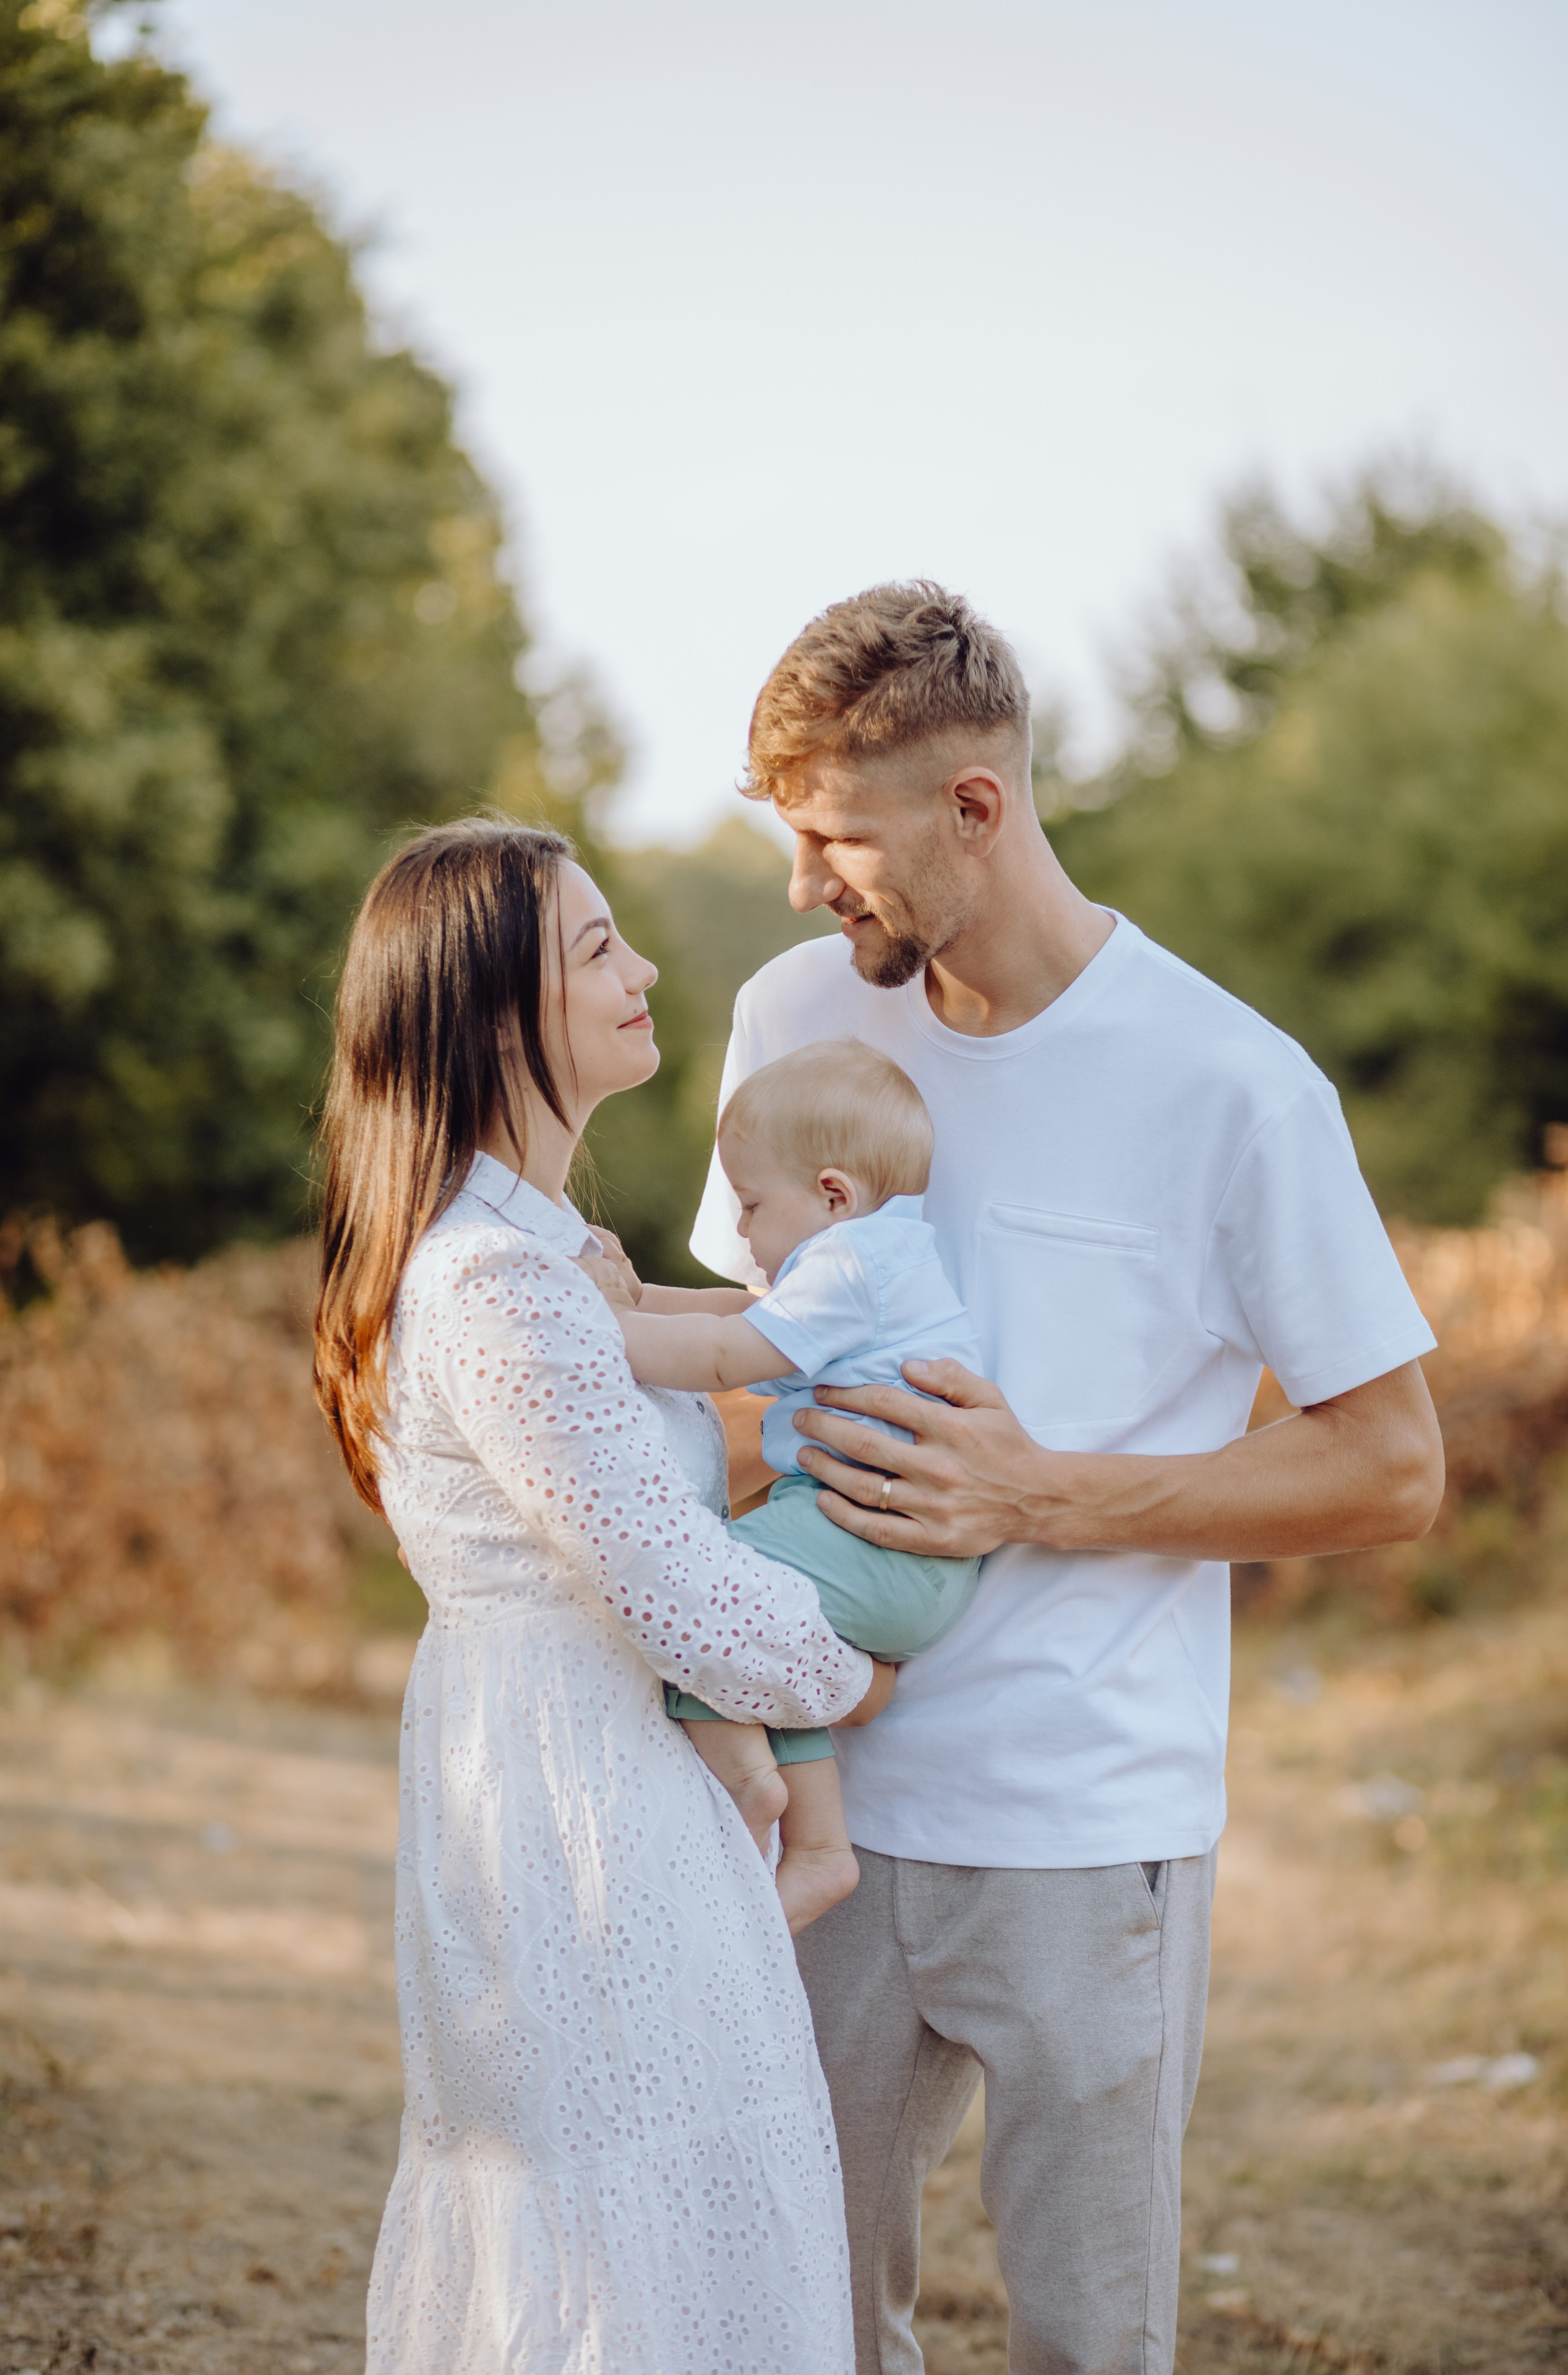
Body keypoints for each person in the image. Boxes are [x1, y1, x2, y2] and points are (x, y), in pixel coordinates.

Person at [687, 583, 1447, 2375]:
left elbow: (1392, 1464)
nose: (807, 884)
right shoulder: (796, 1011)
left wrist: (1040, 1498)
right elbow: (746, 1344)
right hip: (817, 1809)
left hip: (1087, 1831)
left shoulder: (1233, 1085)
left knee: (1093, 2344)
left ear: (978, 808)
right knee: (786, 2318)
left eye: (834, 839)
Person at [311, 816, 891, 2375]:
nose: (639, 973)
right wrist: (851, 1665)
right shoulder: (492, 1286)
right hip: (570, 1793)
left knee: (666, 2187)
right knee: (609, 2214)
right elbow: (673, 1595)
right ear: (495, 1013)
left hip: (613, 1768)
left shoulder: (558, 1256)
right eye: (593, 950)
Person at [609, 1036, 983, 1935]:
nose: (740, 1232)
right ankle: (819, 1850)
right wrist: (633, 1296)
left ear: (831, 1195)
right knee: (747, 1617)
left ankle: (749, 1790)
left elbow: (722, 1355)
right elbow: (736, 1314)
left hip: (880, 1547)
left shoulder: (852, 1265)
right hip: (879, 1548)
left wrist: (584, 1324)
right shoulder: (871, 1264)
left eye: (749, 1205)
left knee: (691, 1588)